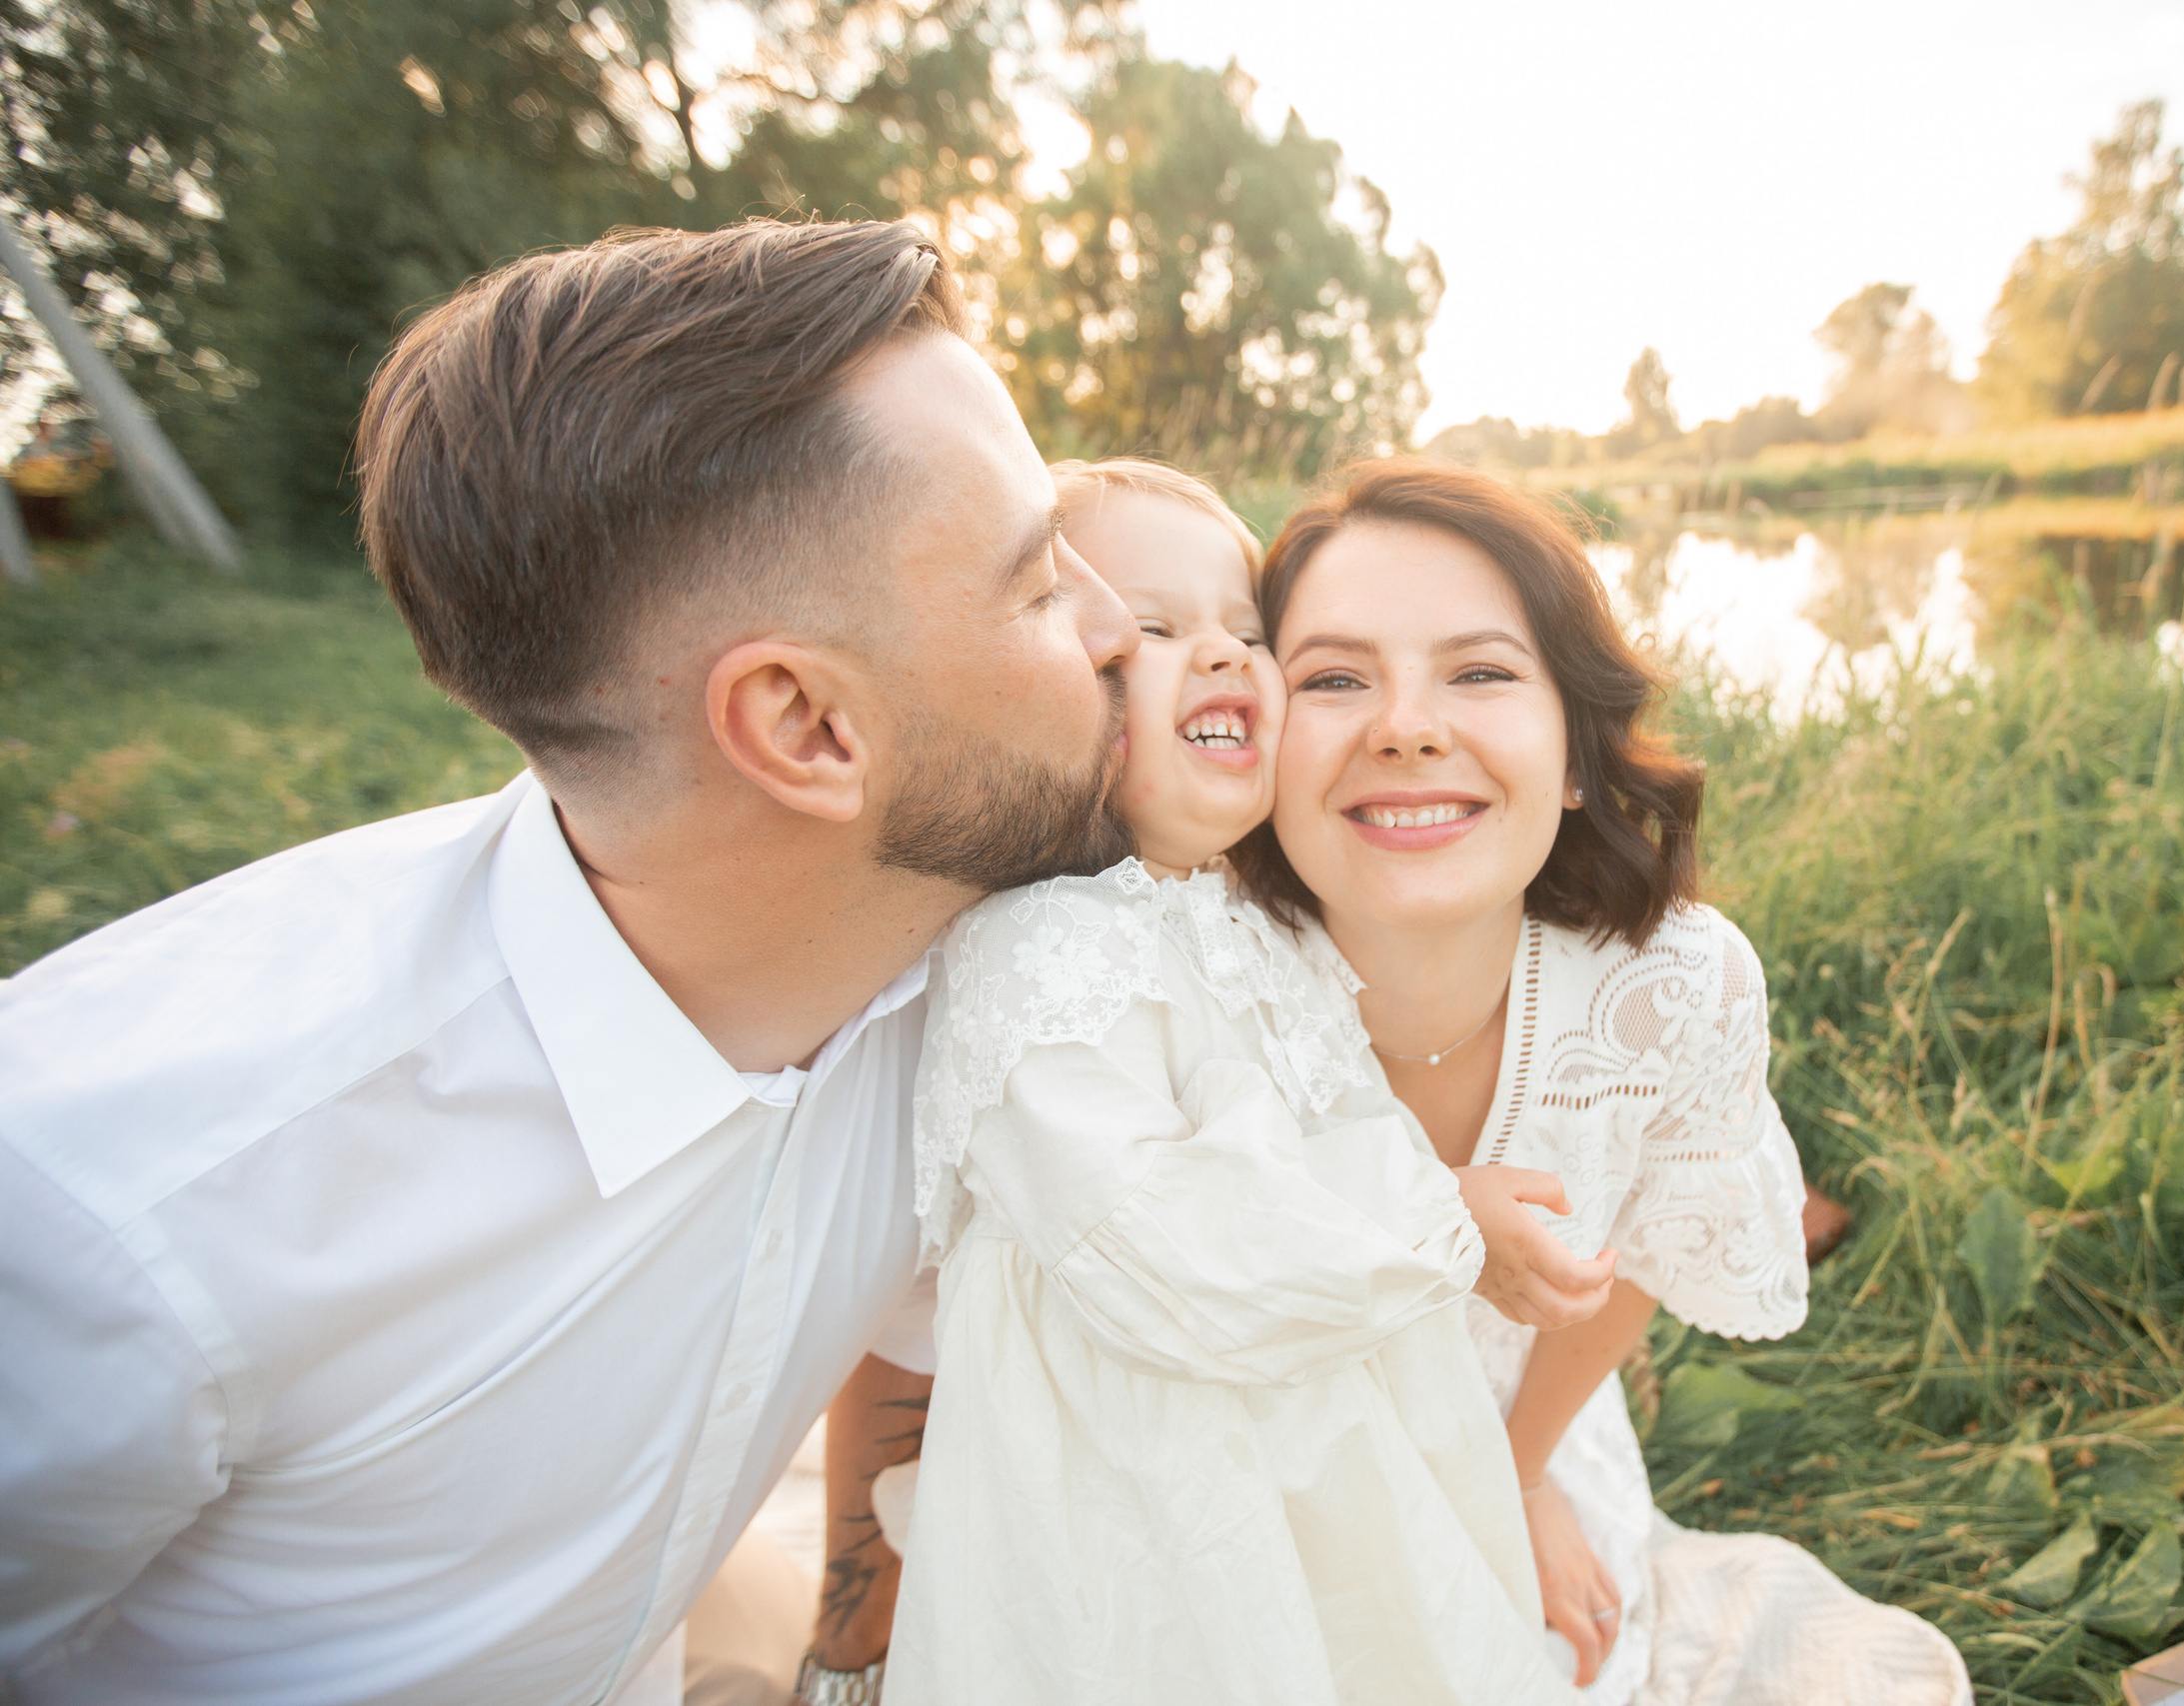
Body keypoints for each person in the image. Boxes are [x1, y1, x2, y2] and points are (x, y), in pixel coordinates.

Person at [0, 220, 1137, 1706]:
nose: (1120, 628)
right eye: (1042, 584)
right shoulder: (114, 1206)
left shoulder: (980, 979)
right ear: (805, 727)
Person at [1231, 461, 1974, 1705]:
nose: (1406, 726)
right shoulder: (1193, 969)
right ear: (1255, 733)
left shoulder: (1674, 987)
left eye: (1478, 672)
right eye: (1334, 678)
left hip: (1517, 1419)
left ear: (1575, 755)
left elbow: (1639, 1254)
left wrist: (1514, 1478)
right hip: (1235, 1431)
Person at [882, 460, 1584, 1706]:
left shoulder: (1254, 923)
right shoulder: (1037, 947)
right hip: (1149, 1496)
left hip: (1329, 1437)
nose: (1221, 656)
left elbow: (1333, 1128)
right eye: (1153, 631)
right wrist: (1439, 1216)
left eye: (1246, 632)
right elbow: (1152, 1241)